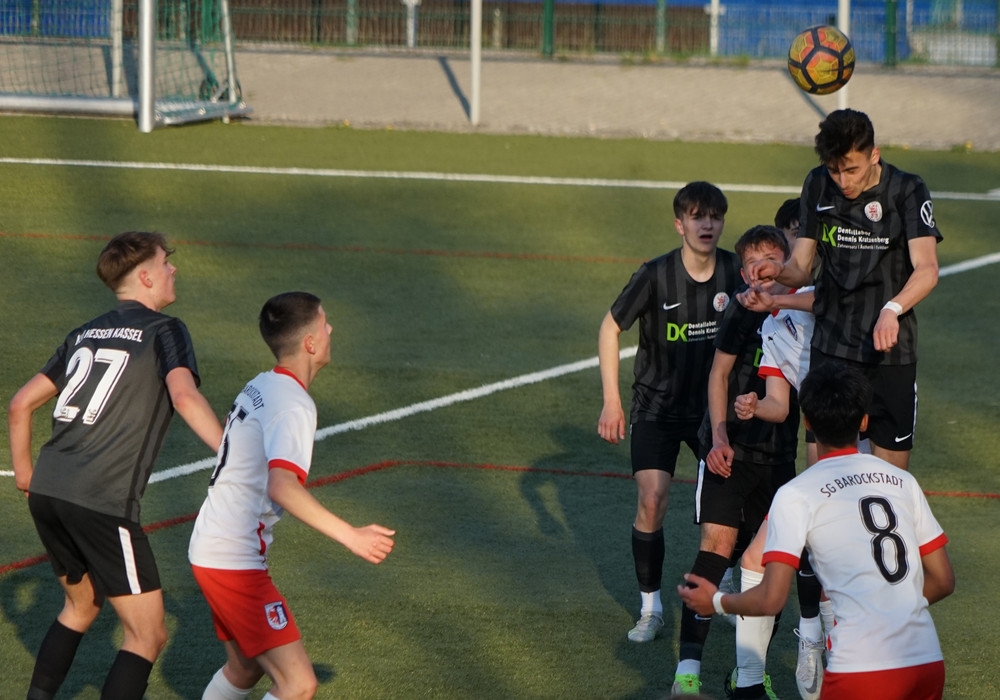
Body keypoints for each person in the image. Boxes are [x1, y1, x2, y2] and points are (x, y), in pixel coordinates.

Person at [7, 231, 224, 700]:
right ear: (145, 276)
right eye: (165, 262)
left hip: (48, 491)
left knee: (81, 607)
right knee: (148, 636)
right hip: (101, 500)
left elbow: (20, 404)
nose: (173, 269)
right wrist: (230, 452)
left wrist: (25, 473)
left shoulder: (84, 332)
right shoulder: (165, 330)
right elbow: (185, 397)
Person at [678, 362, 955, 700]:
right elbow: (943, 580)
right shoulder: (902, 481)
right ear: (864, 421)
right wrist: (893, 612)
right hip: (926, 661)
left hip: (861, 670)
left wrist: (717, 601)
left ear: (807, 422)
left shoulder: (797, 493)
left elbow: (771, 597)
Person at [188, 291, 396, 700]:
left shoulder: (261, 384)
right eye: (324, 323)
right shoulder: (295, 404)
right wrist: (351, 536)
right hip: (232, 557)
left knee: (245, 667)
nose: (331, 328)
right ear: (310, 343)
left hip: (211, 545)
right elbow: (282, 485)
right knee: (298, 685)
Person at [744, 109, 942, 471]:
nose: (843, 180)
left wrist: (892, 309)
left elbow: (927, 269)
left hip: (889, 355)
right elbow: (802, 267)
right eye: (835, 170)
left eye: (851, 169)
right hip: (832, 349)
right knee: (826, 476)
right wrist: (778, 271)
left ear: (874, 154)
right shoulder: (817, 184)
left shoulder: (907, 190)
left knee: (889, 477)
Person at [598, 181, 742, 643]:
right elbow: (610, 328)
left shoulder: (734, 271)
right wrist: (612, 401)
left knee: (730, 506)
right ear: (680, 224)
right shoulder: (655, 274)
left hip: (711, 413)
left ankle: (728, 582)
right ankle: (651, 609)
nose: (707, 225)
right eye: (698, 217)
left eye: (715, 216)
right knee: (652, 499)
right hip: (655, 407)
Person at [671, 225, 800, 699]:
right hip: (730, 452)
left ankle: (750, 673)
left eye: (771, 259)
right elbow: (719, 374)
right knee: (717, 547)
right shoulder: (740, 312)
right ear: (744, 273)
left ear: (787, 265)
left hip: (779, 457)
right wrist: (719, 437)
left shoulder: (800, 311)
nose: (761, 270)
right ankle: (687, 672)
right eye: (752, 263)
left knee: (771, 565)